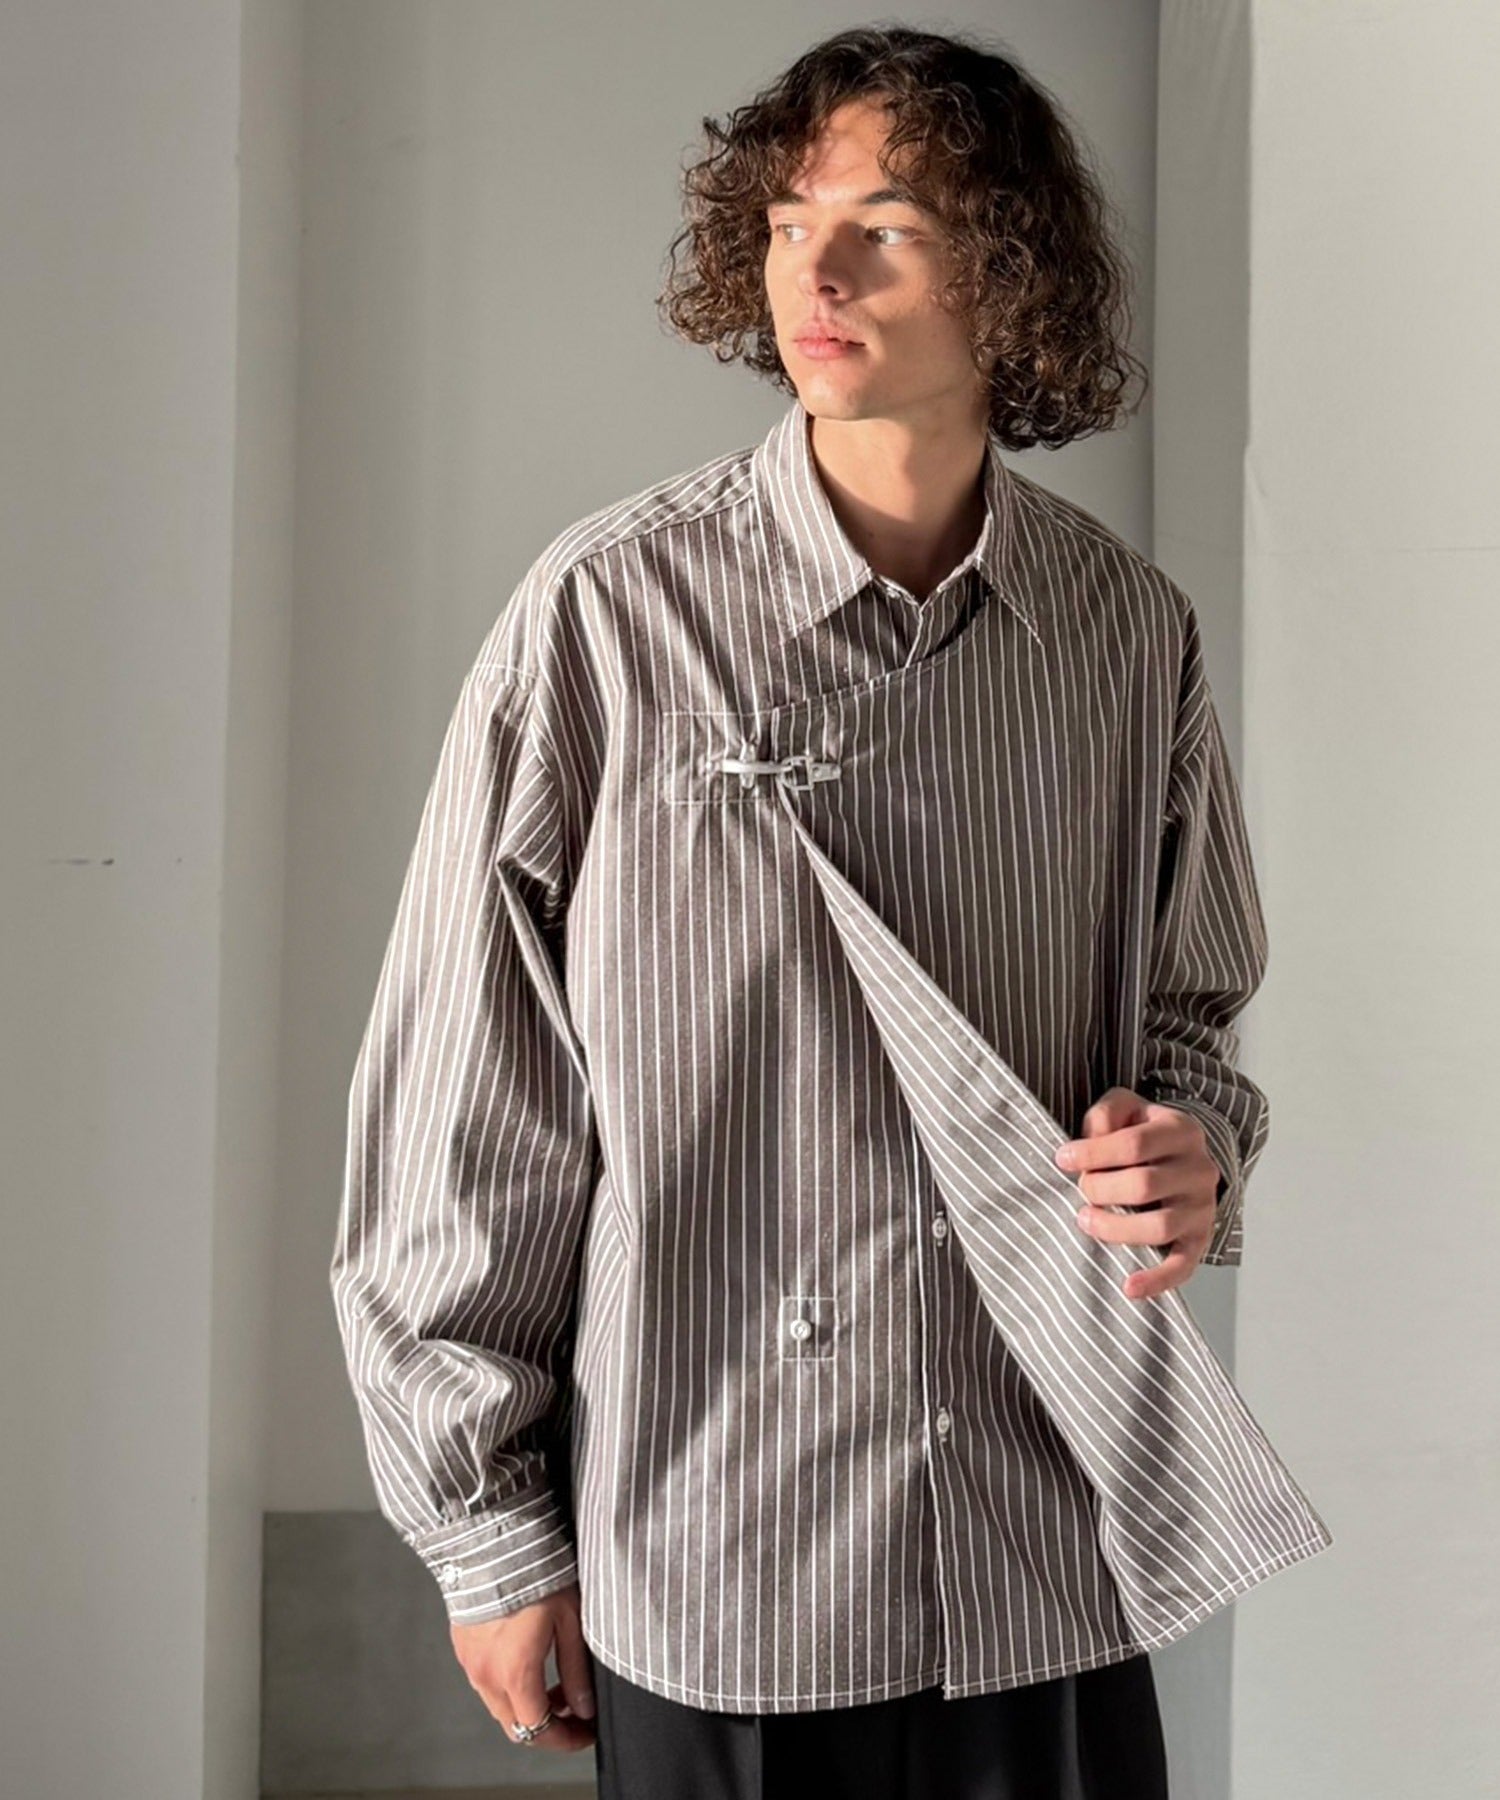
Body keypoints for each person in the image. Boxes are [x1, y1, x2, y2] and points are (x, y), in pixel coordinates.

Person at [329, 23, 1332, 1798]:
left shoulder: (1124, 635)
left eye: (889, 226)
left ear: (1009, 271)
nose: (820, 272)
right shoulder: (607, 615)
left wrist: (1195, 1151)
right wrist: (486, 1528)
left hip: (1046, 1538)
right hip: (723, 1539)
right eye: (791, 224)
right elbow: (467, 1092)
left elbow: (1189, 1016)